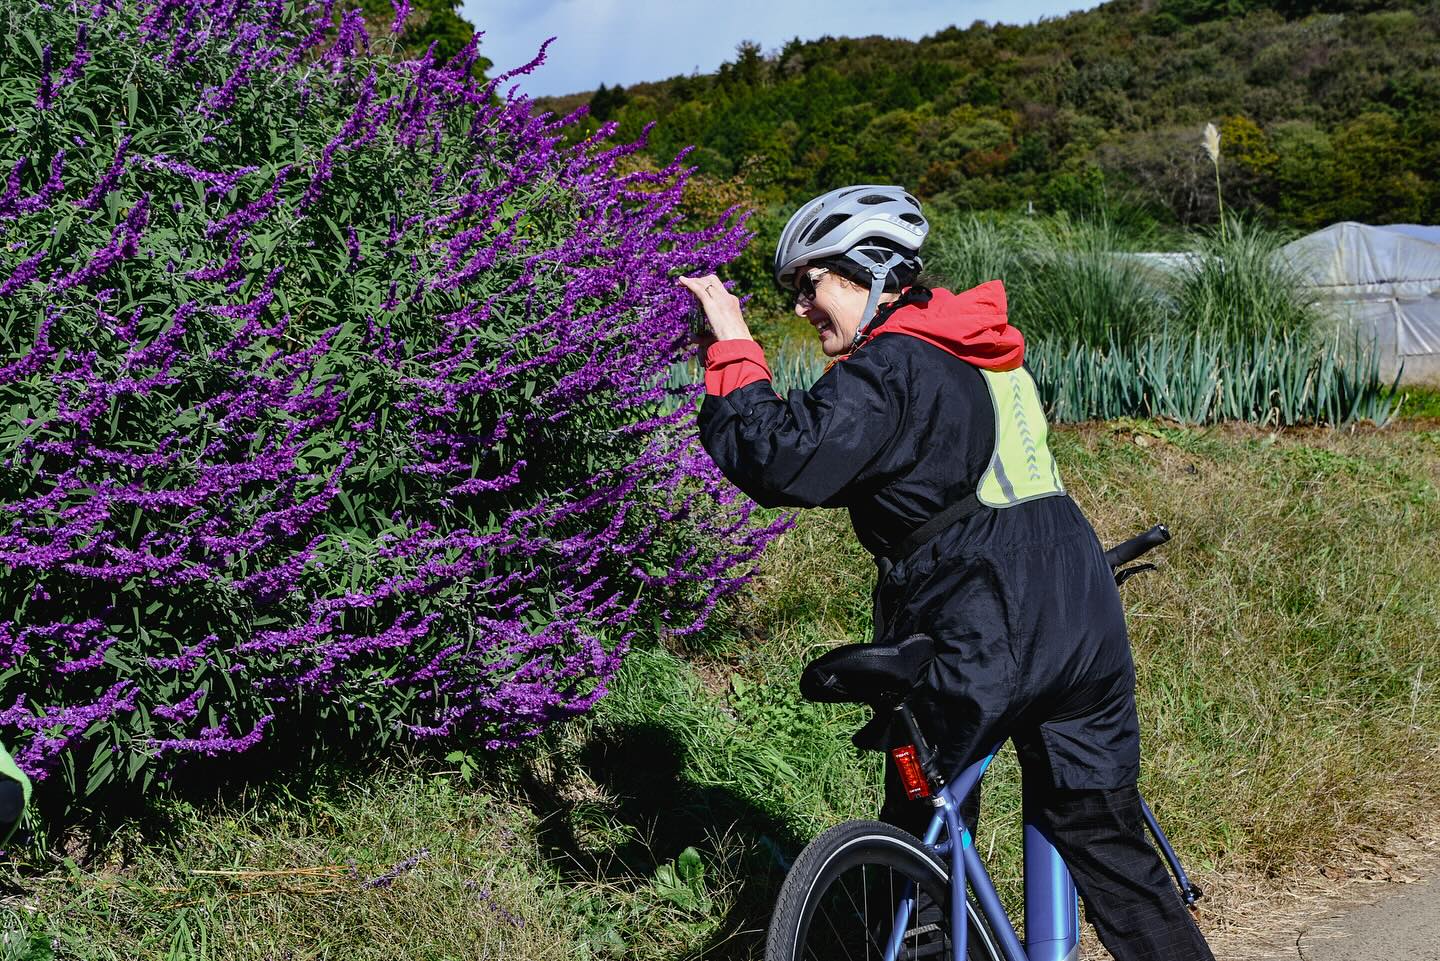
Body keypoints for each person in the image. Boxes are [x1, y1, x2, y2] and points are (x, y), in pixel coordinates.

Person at [679, 184, 1216, 961]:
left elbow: (784, 458)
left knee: (918, 828)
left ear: (866, 271)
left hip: (985, 620)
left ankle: (919, 933)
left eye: (810, 284)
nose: (799, 306)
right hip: (1082, 609)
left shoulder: (895, 362)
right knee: (1112, 849)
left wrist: (731, 344)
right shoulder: (984, 351)